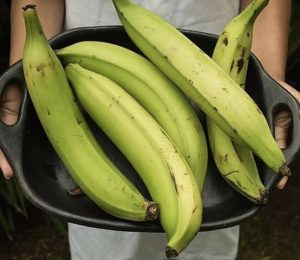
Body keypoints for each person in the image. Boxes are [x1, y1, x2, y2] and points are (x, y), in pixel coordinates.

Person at [2, 0, 298, 259]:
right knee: (106, 246)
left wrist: (267, 81)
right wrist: (33, 76)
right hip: (92, 51)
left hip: (209, 65)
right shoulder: (83, 69)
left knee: (203, 232)